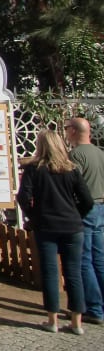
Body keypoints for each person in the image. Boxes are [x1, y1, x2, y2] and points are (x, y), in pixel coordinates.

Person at [17, 129, 94, 334]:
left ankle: (52, 320)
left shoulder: (34, 169)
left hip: (47, 226)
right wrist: (77, 215)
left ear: (41, 146)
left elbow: (23, 197)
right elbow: (87, 200)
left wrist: (33, 216)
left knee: (51, 273)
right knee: (73, 273)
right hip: (72, 227)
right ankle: (77, 322)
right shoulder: (72, 169)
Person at [65, 116, 104, 326]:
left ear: (73, 131)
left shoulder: (76, 155)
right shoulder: (99, 153)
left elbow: (73, 186)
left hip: (85, 210)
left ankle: (93, 308)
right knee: (99, 258)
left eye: (67, 128)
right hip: (101, 207)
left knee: (84, 260)